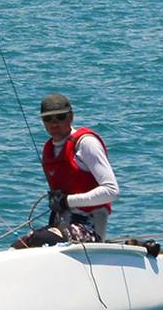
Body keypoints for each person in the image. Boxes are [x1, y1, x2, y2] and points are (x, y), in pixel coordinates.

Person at [36, 91, 118, 241]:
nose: (54, 124)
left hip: (90, 228)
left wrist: (67, 201)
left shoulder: (86, 144)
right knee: (22, 244)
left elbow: (111, 191)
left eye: (60, 117)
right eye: (48, 119)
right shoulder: (49, 149)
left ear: (71, 117)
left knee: (43, 238)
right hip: (62, 226)